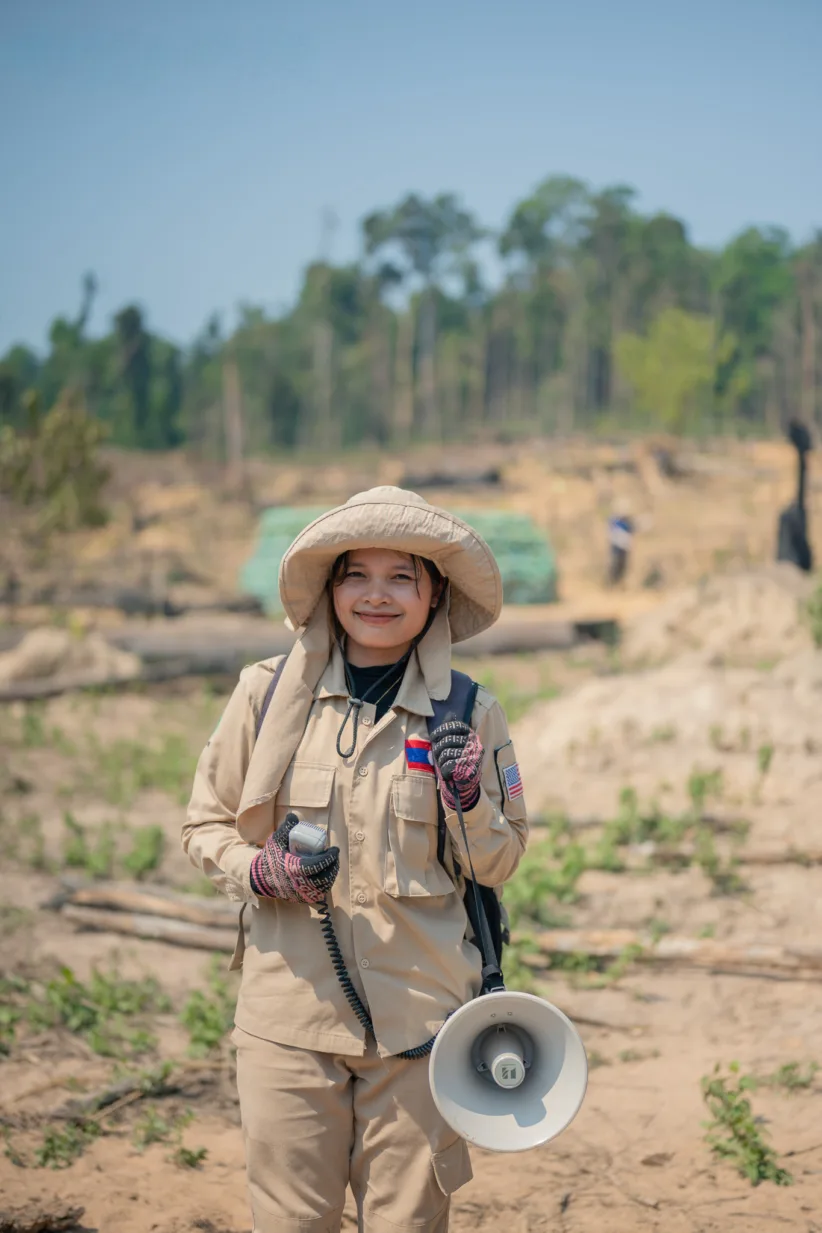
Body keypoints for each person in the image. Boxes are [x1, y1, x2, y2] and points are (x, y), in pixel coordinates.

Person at [182, 486, 529, 1233]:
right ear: (330, 589)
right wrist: (259, 871)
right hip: (288, 1023)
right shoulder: (264, 696)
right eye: (356, 575)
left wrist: (467, 794)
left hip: (422, 1027)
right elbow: (205, 824)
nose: (378, 595)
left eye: (402, 576)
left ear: (433, 593)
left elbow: (499, 864)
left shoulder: (470, 712)